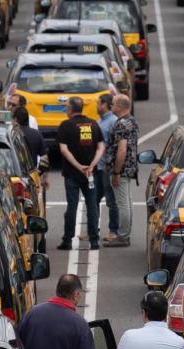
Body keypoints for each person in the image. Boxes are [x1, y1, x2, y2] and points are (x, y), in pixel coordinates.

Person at [57, 97, 105, 250]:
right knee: (92, 206)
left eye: (66, 107)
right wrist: (91, 165)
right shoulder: (93, 124)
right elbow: (101, 148)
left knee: (72, 205)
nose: (65, 110)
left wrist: (79, 166)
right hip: (91, 173)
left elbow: (64, 150)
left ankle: (67, 240)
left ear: (71, 109)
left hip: (72, 173)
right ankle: (94, 241)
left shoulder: (66, 125)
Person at [104, 94, 138, 248]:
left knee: (122, 203)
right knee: (128, 202)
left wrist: (116, 172)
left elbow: (122, 149)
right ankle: (125, 234)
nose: (111, 106)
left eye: (112, 104)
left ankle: (123, 236)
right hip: (130, 168)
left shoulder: (121, 124)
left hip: (122, 170)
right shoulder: (131, 121)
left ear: (119, 106)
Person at [94, 94, 120, 243]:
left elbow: (115, 146)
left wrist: (111, 166)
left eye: (98, 103)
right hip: (98, 166)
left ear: (104, 105)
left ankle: (113, 231)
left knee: (111, 201)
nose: (97, 106)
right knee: (94, 199)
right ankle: (93, 229)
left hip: (106, 168)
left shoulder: (112, 122)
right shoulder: (101, 121)